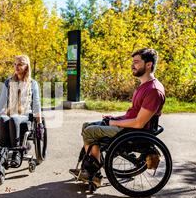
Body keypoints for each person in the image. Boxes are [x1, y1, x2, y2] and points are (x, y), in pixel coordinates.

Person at [70, 48, 166, 187]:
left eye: (137, 62)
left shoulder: (153, 91)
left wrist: (113, 122)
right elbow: (132, 114)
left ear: (149, 65)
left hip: (133, 132)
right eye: (133, 62)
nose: (133, 65)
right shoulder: (144, 86)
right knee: (87, 125)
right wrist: (115, 118)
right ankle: (91, 168)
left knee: (90, 131)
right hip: (127, 127)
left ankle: (94, 175)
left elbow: (139, 123)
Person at [0, 55, 44, 167]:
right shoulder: (8, 82)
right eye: (15, 64)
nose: (16, 66)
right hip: (10, 111)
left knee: (14, 119)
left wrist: (39, 122)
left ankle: (17, 152)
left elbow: (36, 103)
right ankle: (4, 152)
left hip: (25, 114)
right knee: (3, 119)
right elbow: (2, 101)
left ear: (26, 66)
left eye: (20, 64)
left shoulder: (33, 84)